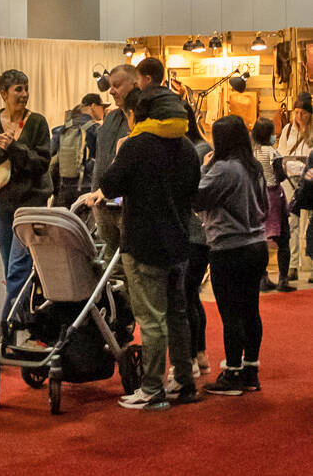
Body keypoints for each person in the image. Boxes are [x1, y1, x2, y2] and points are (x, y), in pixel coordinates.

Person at [97, 85, 201, 411]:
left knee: (152, 320)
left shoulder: (137, 144)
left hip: (143, 244)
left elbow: (110, 184)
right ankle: (184, 381)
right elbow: (192, 191)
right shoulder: (186, 147)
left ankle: (152, 389)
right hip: (179, 243)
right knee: (177, 316)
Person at [195, 115, 268, 396]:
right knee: (250, 310)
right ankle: (250, 371)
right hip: (256, 245)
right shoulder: (254, 167)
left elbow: (197, 198)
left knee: (231, 314)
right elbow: (262, 203)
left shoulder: (223, 169)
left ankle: (233, 373)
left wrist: (203, 168)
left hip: (229, 247)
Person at [0, 69, 52, 319]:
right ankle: (25, 321)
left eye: (26, 88)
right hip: (2, 203)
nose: (24, 94)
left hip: (31, 203)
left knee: (18, 268)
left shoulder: (37, 122)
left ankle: (8, 328)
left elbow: (42, 162)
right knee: (12, 267)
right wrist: (0, 149)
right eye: (18, 89)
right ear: (3, 93)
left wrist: (15, 148)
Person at [89, 64, 137, 261]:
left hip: (128, 208)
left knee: (131, 265)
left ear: (134, 85)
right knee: (111, 266)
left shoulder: (145, 121)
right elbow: (101, 158)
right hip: (102, 205)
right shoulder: (110, 119)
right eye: (110, 85)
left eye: (117, 85)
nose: (111, 91)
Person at [183, 105, 214, 377]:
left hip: (197, 233)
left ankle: (193, 356)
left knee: (186, 293)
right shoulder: (186, 148)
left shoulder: (200, 149)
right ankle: (199, 354)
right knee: (190, 295)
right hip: (185, 232)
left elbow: (196, 191)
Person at [252, 118, 294, 292]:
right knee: (283, 237)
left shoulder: (252, 152)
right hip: (273, 195)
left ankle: (263, 279)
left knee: (261, 238)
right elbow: (280, 176)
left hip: (257, 197)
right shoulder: (273, 152)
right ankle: (283, 279)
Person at [278, 92, 313, 282]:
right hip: (290, 179)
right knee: (292, 223)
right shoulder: (288, 130)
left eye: (304, 113)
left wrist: (303, 167)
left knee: (312, 224)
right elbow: (281, 154)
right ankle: (292, 265)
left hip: (310, 180)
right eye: (297, 112)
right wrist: (294, 166)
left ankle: (311, 265)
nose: (299, 117)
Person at [52, 98, 100, 209]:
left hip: (63, 186)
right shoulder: (95, 129)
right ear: (93, 106)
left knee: (63, 224)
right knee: (84, 224)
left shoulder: (63, 128)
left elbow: (51, 153)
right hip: (86, 187)